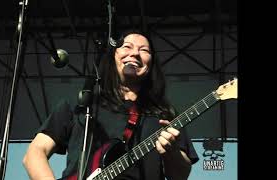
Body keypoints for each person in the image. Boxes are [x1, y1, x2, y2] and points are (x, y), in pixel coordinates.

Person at [23, 29, 199, 180]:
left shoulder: (165, 114)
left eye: (144, 50)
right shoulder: (80, 104)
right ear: (113, 56)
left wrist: (172, 152)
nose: (135, 53)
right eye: (127, 46)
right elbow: (35, 153)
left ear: (151, 63)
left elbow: (180, 176)